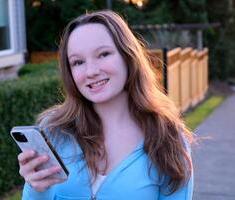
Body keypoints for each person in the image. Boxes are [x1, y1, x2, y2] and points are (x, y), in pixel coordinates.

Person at [18, 10, 194, 200]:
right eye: (78, 62)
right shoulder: (54, 133)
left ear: (128, 56)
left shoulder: (168, 139)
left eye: (103, 54)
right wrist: (36, 187)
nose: (91, 71)